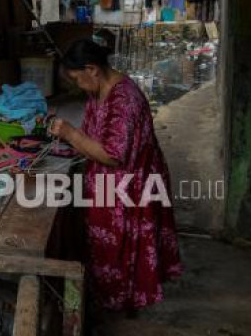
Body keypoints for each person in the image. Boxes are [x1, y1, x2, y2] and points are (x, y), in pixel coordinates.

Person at [48, 39, 182, 316]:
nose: (77, 86)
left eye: (77, 79)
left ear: (92, 69)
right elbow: (92, 135)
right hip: (109, 183)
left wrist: (70, 134)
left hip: (130, 186)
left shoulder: (124, 100)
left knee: (122, 249)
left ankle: (121, 303)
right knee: (102, 245)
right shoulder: (99, 93)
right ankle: (108, 297)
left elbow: (112, 154)